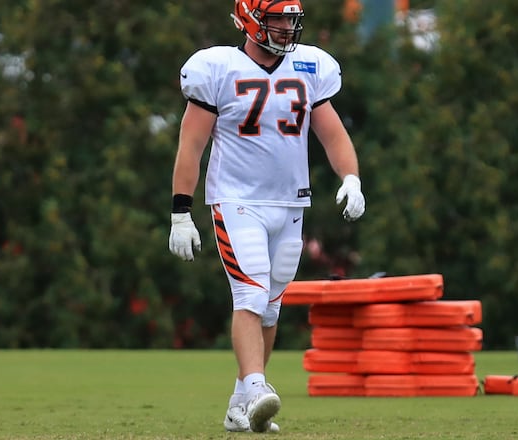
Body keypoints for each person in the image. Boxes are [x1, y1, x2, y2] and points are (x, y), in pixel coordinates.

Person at [167, 0, 365, 433]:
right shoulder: (217, 68)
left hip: (291, 202)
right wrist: (181, 211)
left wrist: (351, 177)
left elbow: (332, 132)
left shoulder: (309, 67)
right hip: (236, 200)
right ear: (250, 20)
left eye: (291, 19)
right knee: (251, 292)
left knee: (271, 308)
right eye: (277, 18)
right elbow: (191, 145)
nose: (286, 27)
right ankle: (257, 386)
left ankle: (240, 405)